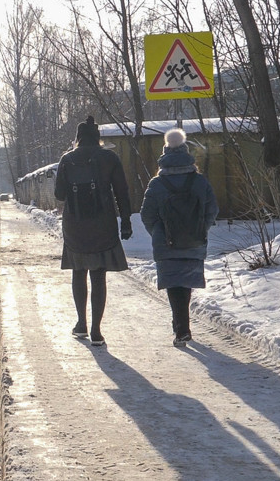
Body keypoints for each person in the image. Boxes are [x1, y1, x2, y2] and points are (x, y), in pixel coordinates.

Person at [53, 116, 132, 346]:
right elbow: (122, 191)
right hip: (102, 224)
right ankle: (97, 330)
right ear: (98, 138)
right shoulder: (109, 158)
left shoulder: (67, 159)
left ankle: (81, 324)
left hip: (75, 225)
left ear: (77, 138)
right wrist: (125, 220)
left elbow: (59, 194)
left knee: (79, 272)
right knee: (98, 275)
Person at [139, 128, 219, 348]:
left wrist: (158, 232)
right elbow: (213, 209)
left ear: (164, 155)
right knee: (185, 283)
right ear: (186, 152)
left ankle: (181, 328)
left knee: (174, 284)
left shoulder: (157, 184)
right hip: (194, 240)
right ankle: (182, 326)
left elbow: (147, 214)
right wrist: (200, 228)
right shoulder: (199, 181)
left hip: (167, 243)